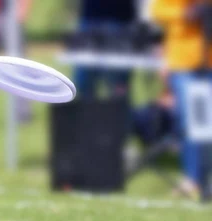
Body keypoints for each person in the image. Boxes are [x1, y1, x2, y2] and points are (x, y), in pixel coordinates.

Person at [150, 0, 212, 199]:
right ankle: (193, 178)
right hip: (183, 61)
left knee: (207, 123)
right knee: (190, 121)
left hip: (208, 60)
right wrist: (185, 13)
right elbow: (158, 10)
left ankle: (204, 178)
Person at [75, 0, 136, 98]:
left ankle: (118, 112)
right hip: (91, 17)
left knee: (118, 85)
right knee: (85, 84)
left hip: (120, 20)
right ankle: (88, 112)